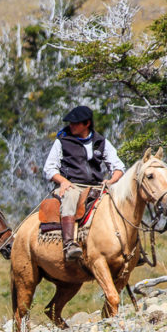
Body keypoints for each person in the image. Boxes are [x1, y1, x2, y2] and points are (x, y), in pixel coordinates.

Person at [43, 105, 126, 262]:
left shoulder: (101, 142)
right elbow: (49, 168)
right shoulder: (63, 141)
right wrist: (63, 181)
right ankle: (69, 244)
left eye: (75, 123)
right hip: (72, 184)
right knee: (70, 197)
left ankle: (132, 247)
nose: (71, 126)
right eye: (71, 123)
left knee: (122, 203)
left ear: (87, 124)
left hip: (97, 185)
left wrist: (111, 181)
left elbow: (118, 167)